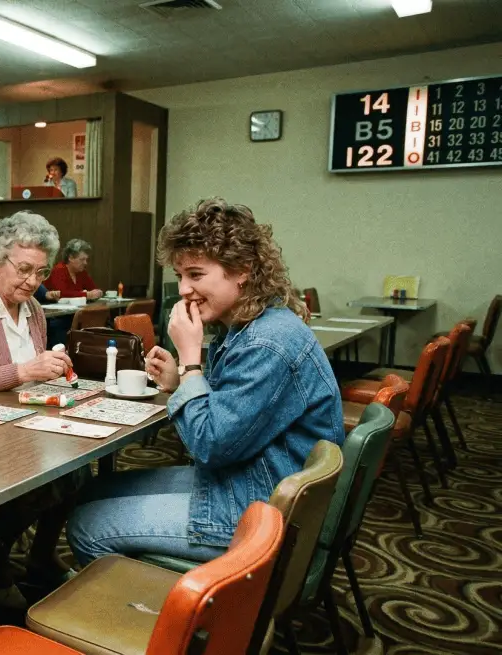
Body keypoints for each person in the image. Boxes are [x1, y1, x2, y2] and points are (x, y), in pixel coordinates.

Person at [67, 198, 345, 566]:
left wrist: (191, 362)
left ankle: (166, 618)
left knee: (86, 525)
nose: (183, 289)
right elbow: (236, 410)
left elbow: (210, 445)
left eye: (196, 275)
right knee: (95, 490)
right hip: (253, 480)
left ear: (242, 270)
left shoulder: (267, 343)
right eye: (180, 276)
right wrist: (180, 378)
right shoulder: (254, 325)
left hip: (258, 509)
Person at [0, 211, 81, 606]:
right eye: (23, 269)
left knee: (76, 476)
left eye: (40, 273)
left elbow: (33, 375)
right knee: (35, 487)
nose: (32, 282)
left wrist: (51, 370)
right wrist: (23, 370)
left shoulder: (34, 309)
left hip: (25, 421)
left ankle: (39, 555)